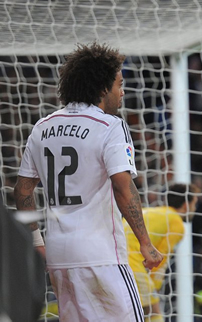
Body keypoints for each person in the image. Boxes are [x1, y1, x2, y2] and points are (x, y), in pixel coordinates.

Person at [13, 42, 164, 322]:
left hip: (60, 258)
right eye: (119, 84)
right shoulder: (110, 126)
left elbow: (22, 190)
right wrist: (145, 242)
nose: (122, 92)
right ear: (102, 88)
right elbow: (123, 186)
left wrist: (36, 240)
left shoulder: (42, 127)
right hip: (102, 256)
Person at [125, 183, 199, 322]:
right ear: (186, 205)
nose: (195, 209)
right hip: (131, 263)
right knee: (153, 310)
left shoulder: (153, 212)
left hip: (114, 259)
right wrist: (155, 286)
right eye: (194, 204)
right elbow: (161, 259)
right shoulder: (176, 222)